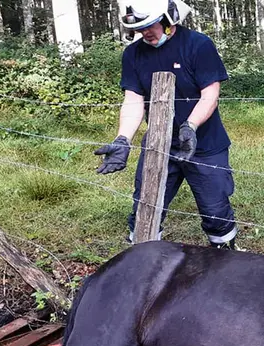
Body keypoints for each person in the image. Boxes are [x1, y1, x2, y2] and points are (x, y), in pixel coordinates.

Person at [94, 0, 238, 249]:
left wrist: (190, 126)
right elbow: (133, 99)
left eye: (150, 26)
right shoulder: (133, 54)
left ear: (168, 19)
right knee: (146, 205)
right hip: (159, 144)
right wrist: (123, 138)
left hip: (205, 144)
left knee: (215, 209)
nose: (145, 33)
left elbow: (210, 95)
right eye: (140, 29)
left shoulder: (198, 45)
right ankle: (141, 258)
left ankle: (225, 256)